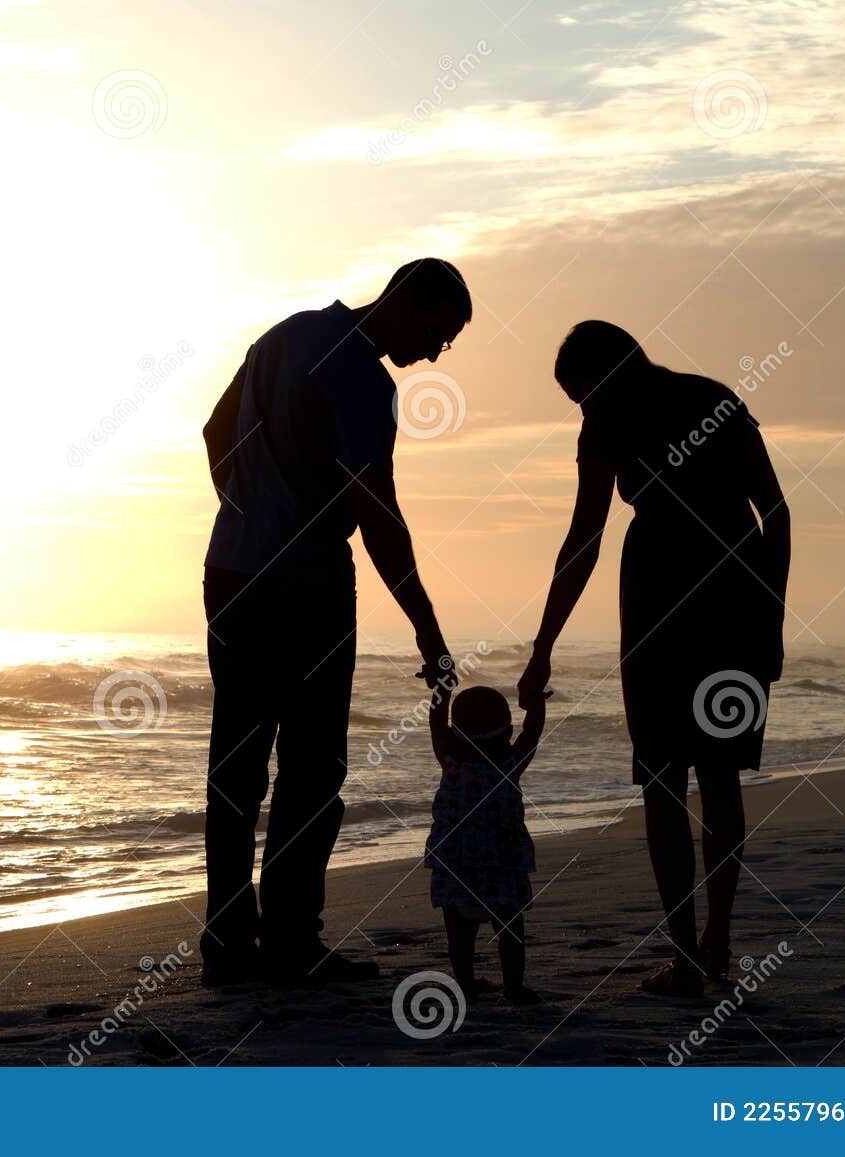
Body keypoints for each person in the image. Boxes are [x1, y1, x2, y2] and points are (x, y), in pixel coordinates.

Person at [199, 258, 472, 987]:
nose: (437, 352)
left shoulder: (283, 336)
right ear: (410, 300)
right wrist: (428, 630)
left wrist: (250, 508)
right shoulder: (363, 378)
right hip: (307, 584)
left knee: (236, 766)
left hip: (230, 572)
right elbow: (378, 515)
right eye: (439, 332)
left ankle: (227, 945)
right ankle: (289, 940)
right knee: (313, 769)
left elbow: (213, 431)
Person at [517, 320, 790, 997]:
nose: (582, 411)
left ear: (603, 377)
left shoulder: (608, 420)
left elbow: (584, 539)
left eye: (580, 396)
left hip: (659, 596)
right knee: (720, 775)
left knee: (663, 779)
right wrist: (772, 617)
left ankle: (689, 958)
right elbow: (776, 513)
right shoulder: (717, 398)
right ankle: (715, 943)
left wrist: (544, 646)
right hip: (736, 591)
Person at [424, 680, 546, 1003]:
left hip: (455, 864)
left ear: (456, 733)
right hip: (502, 863)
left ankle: (464, 985)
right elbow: (532, 734)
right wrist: (535, 701)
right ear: (506, 733)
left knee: (459, 933)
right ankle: (513, 987)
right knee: (510, 928)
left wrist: (442, 689)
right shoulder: (509, 766)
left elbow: (436, 722)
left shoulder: (450, 762)